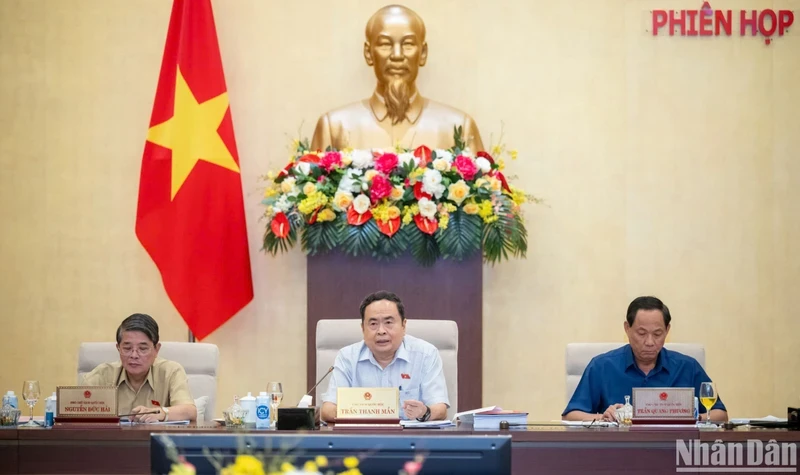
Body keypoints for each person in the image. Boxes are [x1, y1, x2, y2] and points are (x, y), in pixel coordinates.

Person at [311, 4, 484, 152]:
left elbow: (485, 189)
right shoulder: (334, 127)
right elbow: (312, 188)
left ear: (422, 53)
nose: (397, 55)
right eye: (385, 44)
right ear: (368, 53)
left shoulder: (458, 127)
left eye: (408, 44)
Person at [562, 296, 728, 423]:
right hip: (618, 456)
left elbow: (721, 415)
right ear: (627, 328)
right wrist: (603, 418)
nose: (649, 342)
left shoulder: (687, 367)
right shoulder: (602, 366)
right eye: (641, 334)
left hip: (674, 453)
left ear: (667, 330)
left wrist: (690, 417)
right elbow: (570, 416)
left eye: (657, 334)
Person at [321, 290, 450, 423]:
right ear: (362, 329)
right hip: (361, 439)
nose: (381, 331)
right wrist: (355, 412)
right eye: (373, 324)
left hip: (411, 440)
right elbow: (328, 409)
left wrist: (424, 412)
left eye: (388, 322)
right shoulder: (347, 357)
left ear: (403, 326)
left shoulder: (426, 354)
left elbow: (440, 409)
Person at [82, 313, 197, 423]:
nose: (134, 355)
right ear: (118, 348)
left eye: (143, 349)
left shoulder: (171, 371)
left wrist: (160, 413)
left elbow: (189, 411)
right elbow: (77, 414)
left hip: (155, 441)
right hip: (112, 441)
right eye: (127, 348)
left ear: (156, 349)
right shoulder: (101, 375)